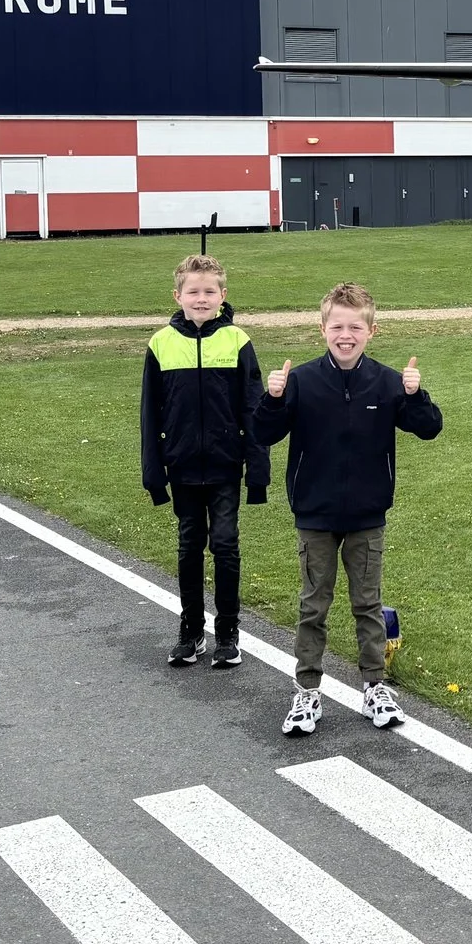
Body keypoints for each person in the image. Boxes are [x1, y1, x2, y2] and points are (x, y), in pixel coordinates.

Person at [255, 281, 442, 734]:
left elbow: (429, 428)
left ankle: (374, 686)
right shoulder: (300, 380)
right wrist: (273, 398)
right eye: (337, 326)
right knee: (313, 605)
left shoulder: (387, 381)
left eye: (355, 326)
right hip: (315, 513)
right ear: (322, 329)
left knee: (367, 603)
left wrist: (416, 394)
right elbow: (264, 433)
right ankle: (307, 692)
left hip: (366, 513)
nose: (346, 334)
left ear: (371, 330)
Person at [139, 253, 268, 669]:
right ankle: (191, 631)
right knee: (189, 545)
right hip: (182, 467)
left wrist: (258, 471)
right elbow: (150, 413)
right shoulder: (161, 343)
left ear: (223, 295)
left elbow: (254, 408)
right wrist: (153, 472)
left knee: (226, 544)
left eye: (209, 291)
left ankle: (228, 632)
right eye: (193, 292)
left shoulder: (237, 341)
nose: (201, 298)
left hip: (226, 465)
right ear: (177, 295)